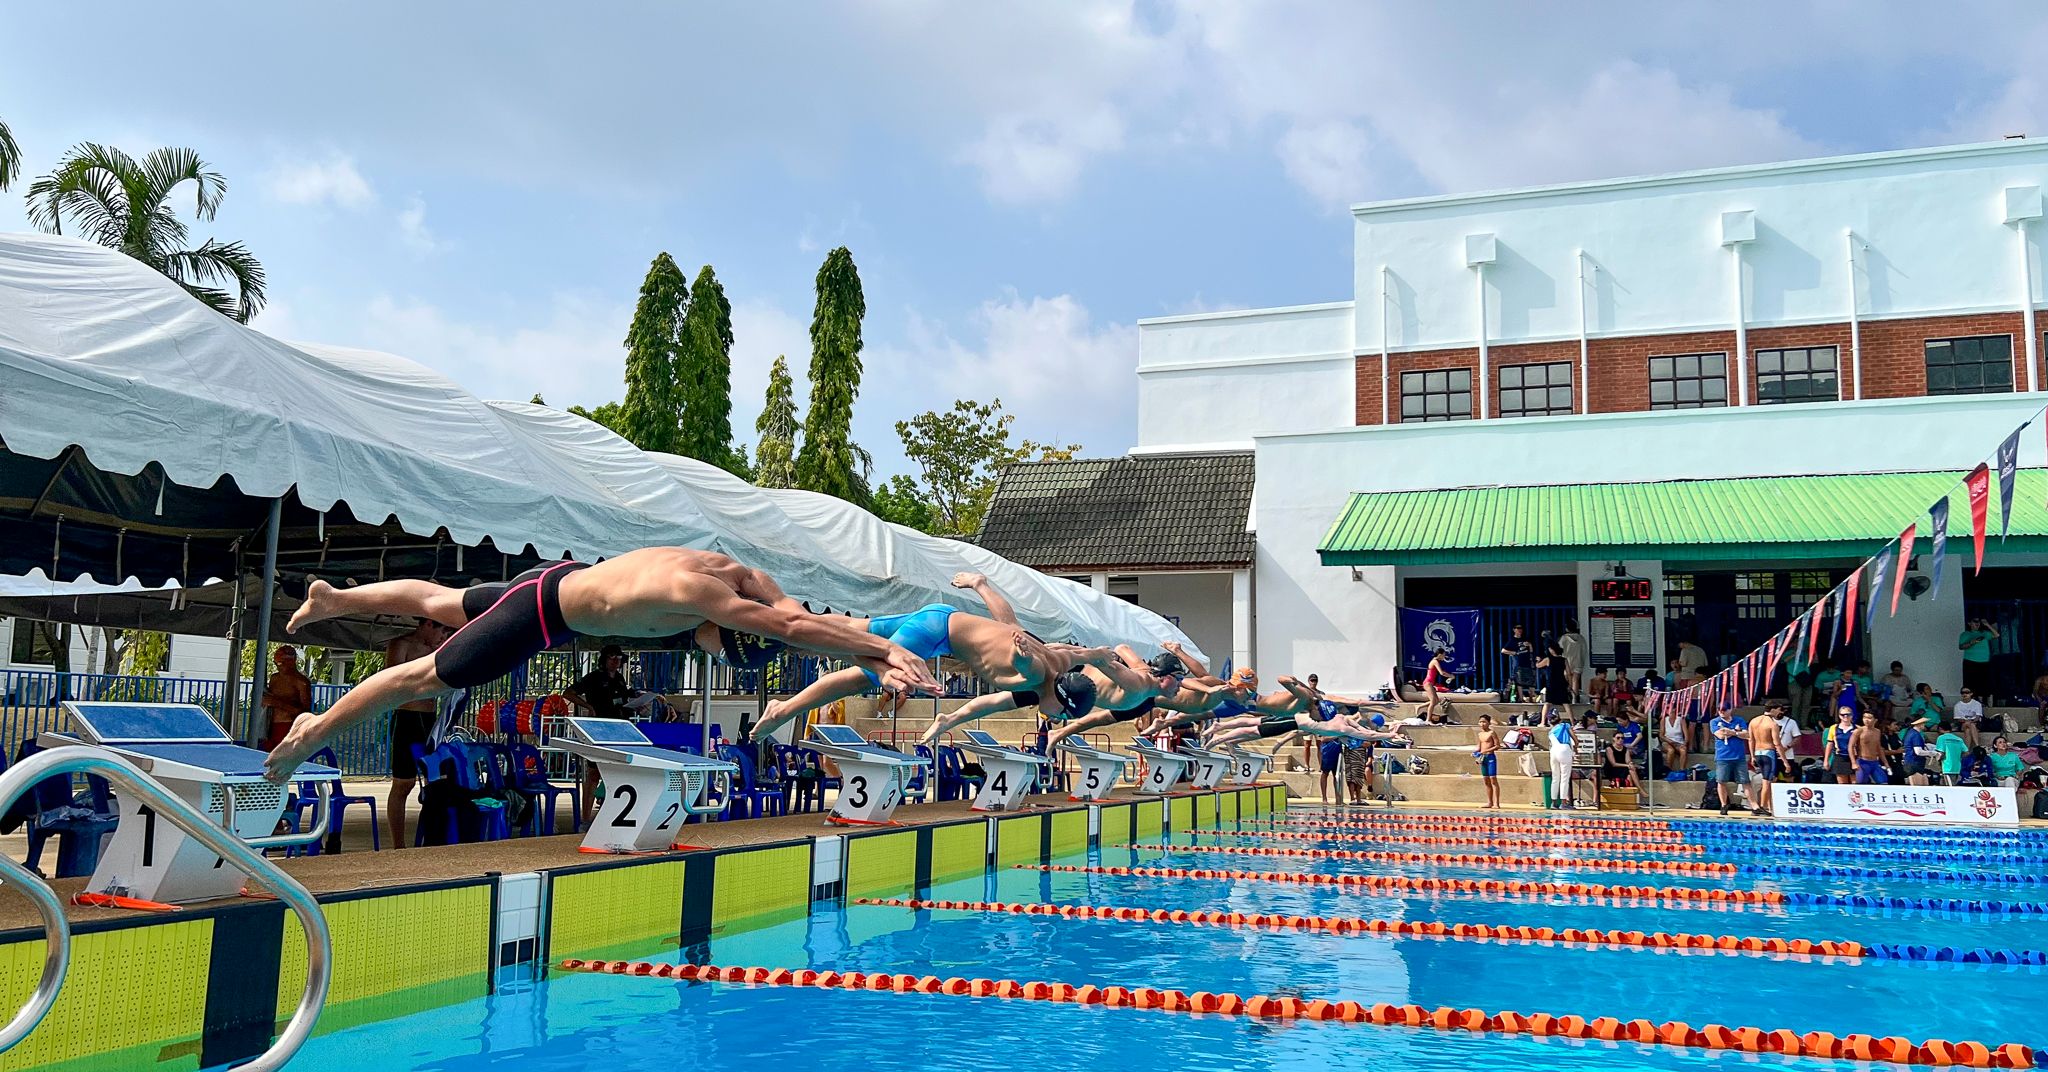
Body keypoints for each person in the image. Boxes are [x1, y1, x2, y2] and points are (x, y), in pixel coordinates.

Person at [268, 549, 941, 782]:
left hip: (558, 577)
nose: (708, 648)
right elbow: (790, 628)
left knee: (441, 600)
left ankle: (336, 598)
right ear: (727, 629)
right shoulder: (702, 595)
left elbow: (802, 622)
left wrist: (878, 649)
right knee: (424, 676)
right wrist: (885, 652)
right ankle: (313, 729)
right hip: (545, 611)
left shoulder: (745, 575)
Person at [384, 619, 451, 849]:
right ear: (429, 625)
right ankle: (398, 844)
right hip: (407, 717)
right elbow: (393, 682)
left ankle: (433, 838)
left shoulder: (437, 650)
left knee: (437, 782)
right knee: (403, 783)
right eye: (441, 632)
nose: (442, 638)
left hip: (430, 719)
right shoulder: (402, 644)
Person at [563, 644, 636, 824]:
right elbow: (569, 693)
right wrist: (588, 706)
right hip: (599, 730)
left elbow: (623, 700)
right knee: (594, 772)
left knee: (617, 772)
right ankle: (585, 818)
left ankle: (611, 815)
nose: (616, 661)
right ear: (604, 659)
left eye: (619, 658)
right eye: (612, 657)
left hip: (619, 730)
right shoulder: (593, 677)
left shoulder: (619, 679)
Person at [259, 646, 313, 752]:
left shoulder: (301, 682)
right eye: (275, 663)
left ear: (291, 662)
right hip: (271, 727)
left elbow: (305, 713)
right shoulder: (274, 678)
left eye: (280, 663)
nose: (278, 667)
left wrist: (278, 703)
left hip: (289, 727)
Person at [1709, 704, 1749, 816]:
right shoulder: (1714, 722)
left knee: (1745, 781)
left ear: (1730, 710)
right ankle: (1723, 805)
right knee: (1721, 781)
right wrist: (1737, 732)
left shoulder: (1739, 720)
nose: (1721, 712)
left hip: (1738, 756)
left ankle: (1754, 806)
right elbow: (1720, 735)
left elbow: (1747, 735)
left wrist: (1732, 732)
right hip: (1723, 756)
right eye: (1719, 710)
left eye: (1724, 710)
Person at [1748, 700, 1785, 813]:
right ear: (1773, 710)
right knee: (1767, 782)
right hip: (1768, 753)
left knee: (1768, 780)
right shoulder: (1772, 724)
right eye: (1779, 710)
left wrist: (1752, 756)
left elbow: (1751, 740)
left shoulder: (1753, 721)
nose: (1780, 712)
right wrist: (1785, 761)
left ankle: (1769, 806)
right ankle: (1763, 806)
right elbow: (1777, 744)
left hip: (1757, 753)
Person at [1959, 617, 1998, 702]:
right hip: (1970, 661)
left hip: (1984, 661)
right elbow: (1961, 646)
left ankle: (1985, 702)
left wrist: (1987, 625)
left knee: (1985, 683)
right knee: (1971, 684)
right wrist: (1972, 642)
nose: (1977, 623)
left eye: (1979, 622)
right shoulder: (1965, 634)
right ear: (1969, 623)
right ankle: (1972, 702)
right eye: (1975, 621)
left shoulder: (1984, 633)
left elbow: (1996, 635)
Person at [1546, 711, 1577, 809]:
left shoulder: (1550, 732)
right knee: (1564, 777)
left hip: (1553, 751)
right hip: (1564, 749)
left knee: (1555, 777)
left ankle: (1553, 803)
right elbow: (1575, 739)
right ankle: (1563, 803)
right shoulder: (1565, 725)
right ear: (1559, 719)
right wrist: (1576, 746)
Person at [1536, 643, 1572, 724]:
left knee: (1547, 703)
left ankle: (1542, 722)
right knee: (1566, 703)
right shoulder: (1564, 660)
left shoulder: (1548, 659)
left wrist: (1538, 660)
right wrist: (1570, 684)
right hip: (1562, 682)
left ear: (1552, 650)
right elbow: (1569, 673)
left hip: (1551, 683)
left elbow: (1538, 665)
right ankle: (1572, 722)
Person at [1849, 711, 1886, 785]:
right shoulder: (1859, 731)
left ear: (1875, 720)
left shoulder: (1877, 731)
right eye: (1864, 717)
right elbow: (1850, 746)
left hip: (1874, 762)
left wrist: (1886, 763)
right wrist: (1853, 763)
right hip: (1863, 761)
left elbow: (1879, 748)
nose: (1866, 720)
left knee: (1883, 782)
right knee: (1861, 784)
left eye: (1869, 718)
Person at [1473, 713, 1502, 809]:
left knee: (1493, 779)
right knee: (1486, 780)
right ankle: (1490, 802)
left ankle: (1496, 803)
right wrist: (1475, 753)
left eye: (1484, 722)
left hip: (1490, 757)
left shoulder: (1492, 733)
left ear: (1489, 723)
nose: (1482, 724)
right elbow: (1479, 747)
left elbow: (1497, 746)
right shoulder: (1480, 734)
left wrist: (1486, 751)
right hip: (1483, 758)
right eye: (1480, 722)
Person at [1822, 706, 1857, 784]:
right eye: (1843, 715)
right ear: (1839, 716)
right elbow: (1829, 744)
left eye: (1848, 714)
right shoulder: (1833, 728)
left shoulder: (1857, 728)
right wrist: (1826, 760)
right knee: (1842, 784)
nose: (1845, 716)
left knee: (1855, 783)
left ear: (1852, 715)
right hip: (1840, 757)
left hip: (1854, 757)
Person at [1501, 625, 1535, 703]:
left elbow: (1531, 651)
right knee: (1519, 681)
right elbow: (1503, 651)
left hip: (1528, 662)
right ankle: (1521, 698)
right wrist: (1514, 653)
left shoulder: (1525, 639)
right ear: (1514, 630)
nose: (1520, 630)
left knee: (1531, 680)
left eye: (1521, 628)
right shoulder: (1512, 640)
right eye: (1518, 628)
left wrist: (1530, 645)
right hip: (1518, 663)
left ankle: (1531, 698)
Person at [1901, 713, 1933, 786]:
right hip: (1914, 763)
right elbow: (1918, 752)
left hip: (1913, 763)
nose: (1924, 724)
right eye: (1923, 723)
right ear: (1918, 724)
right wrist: (1931, 753)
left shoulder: (1911, 733)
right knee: (1918, 787)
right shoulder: (1915, 734)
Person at [1933, 721, 1969, 786]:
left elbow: (1941, 753)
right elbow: (1966, 752)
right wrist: (1958, 757)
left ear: (1940, 729)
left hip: (1946, 767)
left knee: (1947, 789)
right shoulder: (1959, 739)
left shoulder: (1941, 738)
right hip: (1957, 768)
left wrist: (1937, 759)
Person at [1659, 698, 1689, 776]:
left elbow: (1686, 736)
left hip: (1678, 742)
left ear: (1674, 709)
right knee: (1670, 750)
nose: (1666, 709)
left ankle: (1682, 770)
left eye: (1668, 707)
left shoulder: (1681, 720)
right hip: (1667, 741)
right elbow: (1661, 735)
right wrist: (1669, 741)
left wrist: (1684, 744)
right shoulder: (1663, 720)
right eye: (1666, 708)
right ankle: (1668, 770)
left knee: (1683, 750)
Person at [1422, 648, 1453, 720]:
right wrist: (1451, 676)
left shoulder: (1435, 661)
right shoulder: (1435, 661)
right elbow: (1441, 673)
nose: (1444, 657)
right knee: (1433, 702)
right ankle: (1428, 720)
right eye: (1443, 655)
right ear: (1439, 655)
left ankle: (1419, 706)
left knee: (1436, 701)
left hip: (1430, 683)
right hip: (1428, 683)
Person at [1559, 621, 1586, 701]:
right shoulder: (1581, 638)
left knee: (1565, 680)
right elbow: (1584, 650)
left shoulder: (1564, 638)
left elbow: (1559, 650)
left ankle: (1564, 698)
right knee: (1575, 680)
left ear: (1567, 628)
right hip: (1578, 661)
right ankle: (1574, 699)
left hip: (1566, 662)